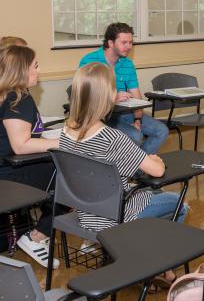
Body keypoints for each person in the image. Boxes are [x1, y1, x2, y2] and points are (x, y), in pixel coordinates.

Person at [60, 63, 188, 288]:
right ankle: (152, 264)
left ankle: (155, 263)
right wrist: (155, 159)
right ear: (108, 95)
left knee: (152, 193)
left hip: (87, 212)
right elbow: (156, 170)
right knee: (179, 204)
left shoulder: (66, 131)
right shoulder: (112, 137)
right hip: (118, 212)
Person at [0, 45, 60, 269]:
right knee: (73, 179)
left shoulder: (5, 95)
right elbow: (21, 145)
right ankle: (37, 235)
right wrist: (61, 141)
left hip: (6, 169)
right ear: (21, 70)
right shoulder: (19, 98)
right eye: (35, 65)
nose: (39, 70)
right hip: (9, 176)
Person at [79, 23, 168, 154]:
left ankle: (138, 168)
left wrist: (137, 119)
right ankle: (137, 166)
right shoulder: (89, 61)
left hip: (125, 113)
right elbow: (85, 98)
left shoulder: (127, 64)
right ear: (110, 43)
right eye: (124, 42)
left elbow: (137, 97)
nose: (129, 47)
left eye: (131, 42)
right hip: (100, 117)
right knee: (135, 136)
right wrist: (112, 98)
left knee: (162, 131)